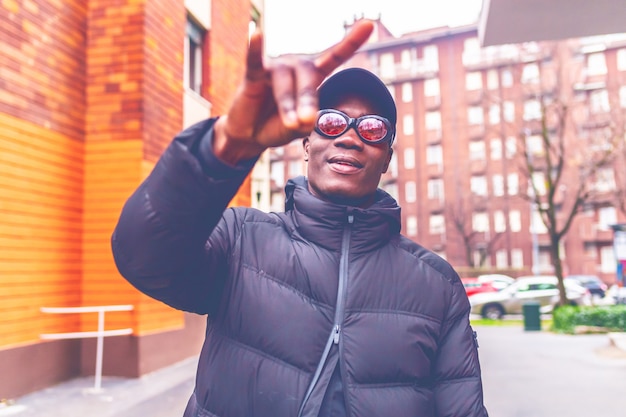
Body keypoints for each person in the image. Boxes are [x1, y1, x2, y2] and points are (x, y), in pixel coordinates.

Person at [111, 19, 489, 417]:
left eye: (372, 128)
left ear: (387, 159)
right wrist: (225, 146)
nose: (349, 136)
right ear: (307, 144)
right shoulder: (242, 240)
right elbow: (143, 257)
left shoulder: (437, 286)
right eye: (331, 123)